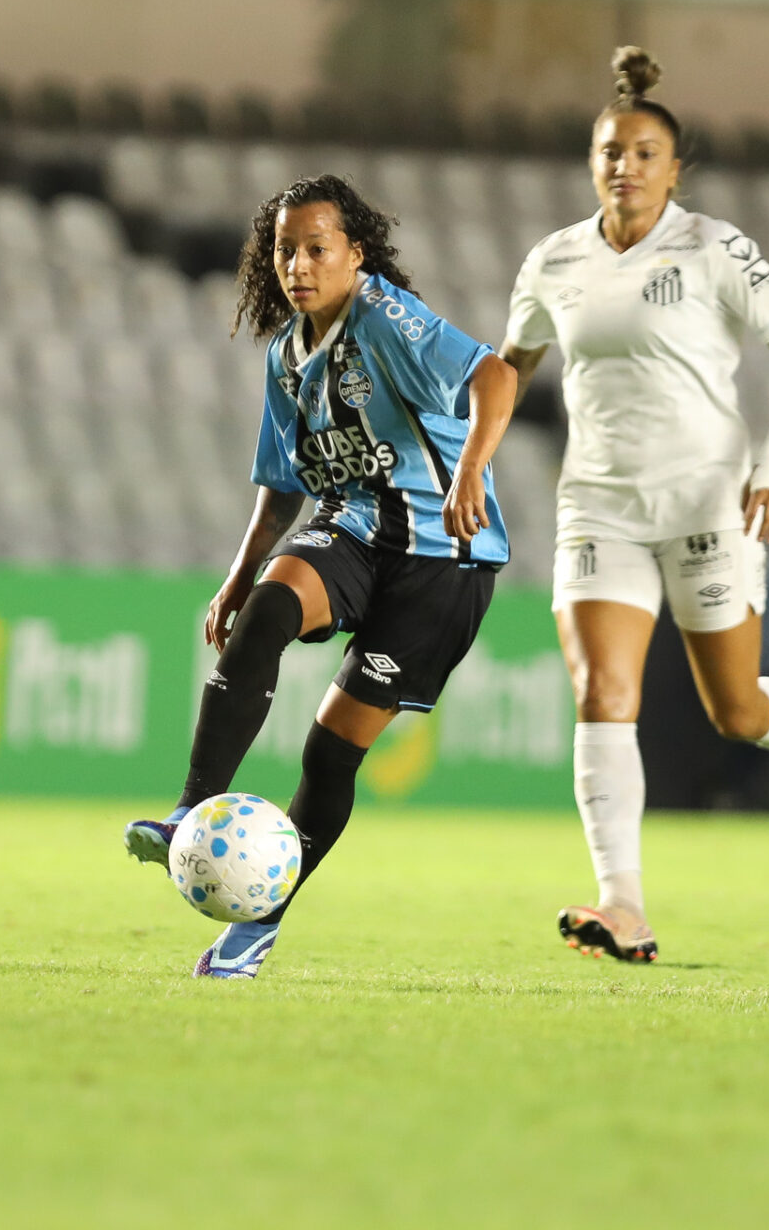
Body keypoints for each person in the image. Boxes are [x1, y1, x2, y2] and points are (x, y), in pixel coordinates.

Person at [500, 48, 769, 965]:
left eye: (644, 153)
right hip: (598, 507)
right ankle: (624, 905)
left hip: (707, 500)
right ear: (592, 162)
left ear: (675, 168)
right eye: (610, 151)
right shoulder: (554, 261)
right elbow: (512, 365)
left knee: (734, 711)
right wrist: (472, 455)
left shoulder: (714, 248)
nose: (625, 166)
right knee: (601, 693)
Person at [122, 174, 518, 979]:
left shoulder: (388, 318)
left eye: (316, 250)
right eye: (284, 252)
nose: (299, 266)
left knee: (330, 756)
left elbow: (496, 376)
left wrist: (471, 466)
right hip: (354, 526)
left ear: (355, 254)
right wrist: (238, 576)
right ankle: (189, 808)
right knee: (269, 608)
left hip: (443, 559)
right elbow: (282, 481)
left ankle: (256, 926)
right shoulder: (286, 355)